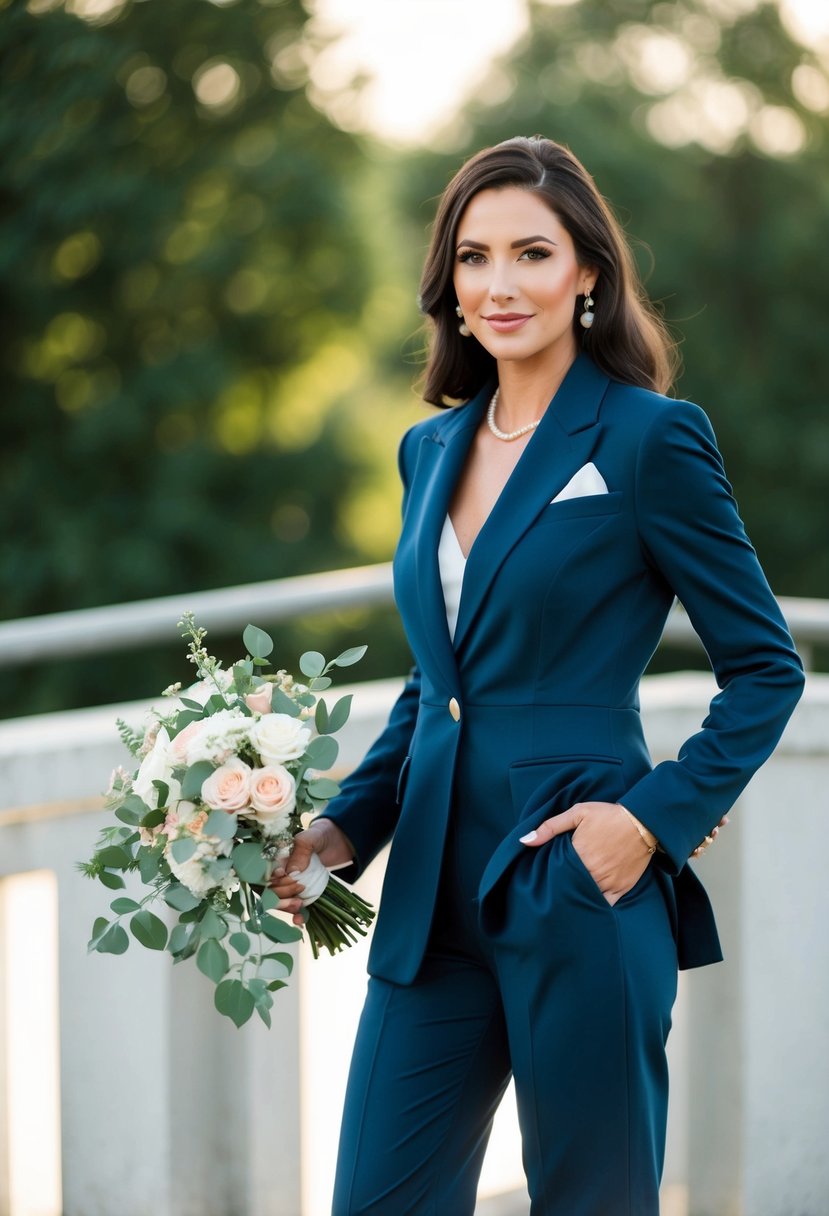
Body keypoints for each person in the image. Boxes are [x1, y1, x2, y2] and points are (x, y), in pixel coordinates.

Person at [272, 136, 804, 1216]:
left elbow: (764, 668)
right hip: (428, 901)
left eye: (531, 253)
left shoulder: (650, 439)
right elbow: (439, 683)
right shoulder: (430, 451)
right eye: (474, 258)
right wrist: (341, 830)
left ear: (588, 274)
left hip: (574, 882)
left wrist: (646, 820)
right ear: (449, 284)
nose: (500, 284)